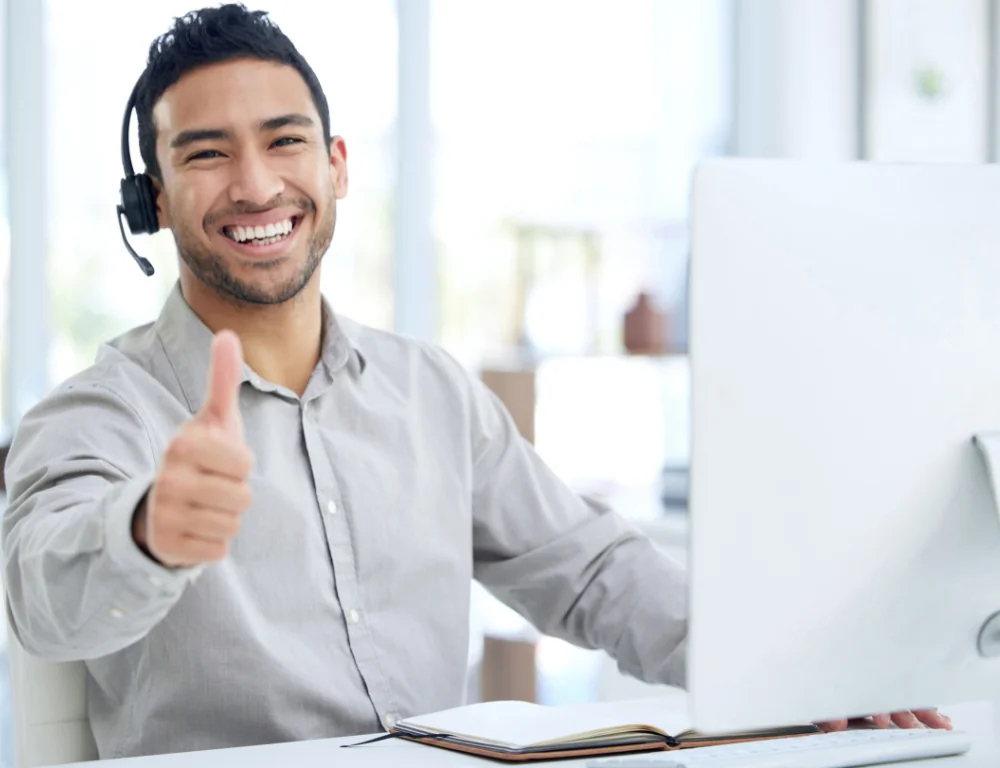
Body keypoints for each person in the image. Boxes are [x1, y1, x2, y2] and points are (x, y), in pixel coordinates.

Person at [1, 4, 949, 760]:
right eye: (205, 153)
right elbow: (43, 602)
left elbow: (591, 572)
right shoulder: (94, 415)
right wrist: (150, 532)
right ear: (154, 199)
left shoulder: (431, 395)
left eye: (285, 141)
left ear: (335, 168)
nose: (254, 185)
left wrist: (802, 674)